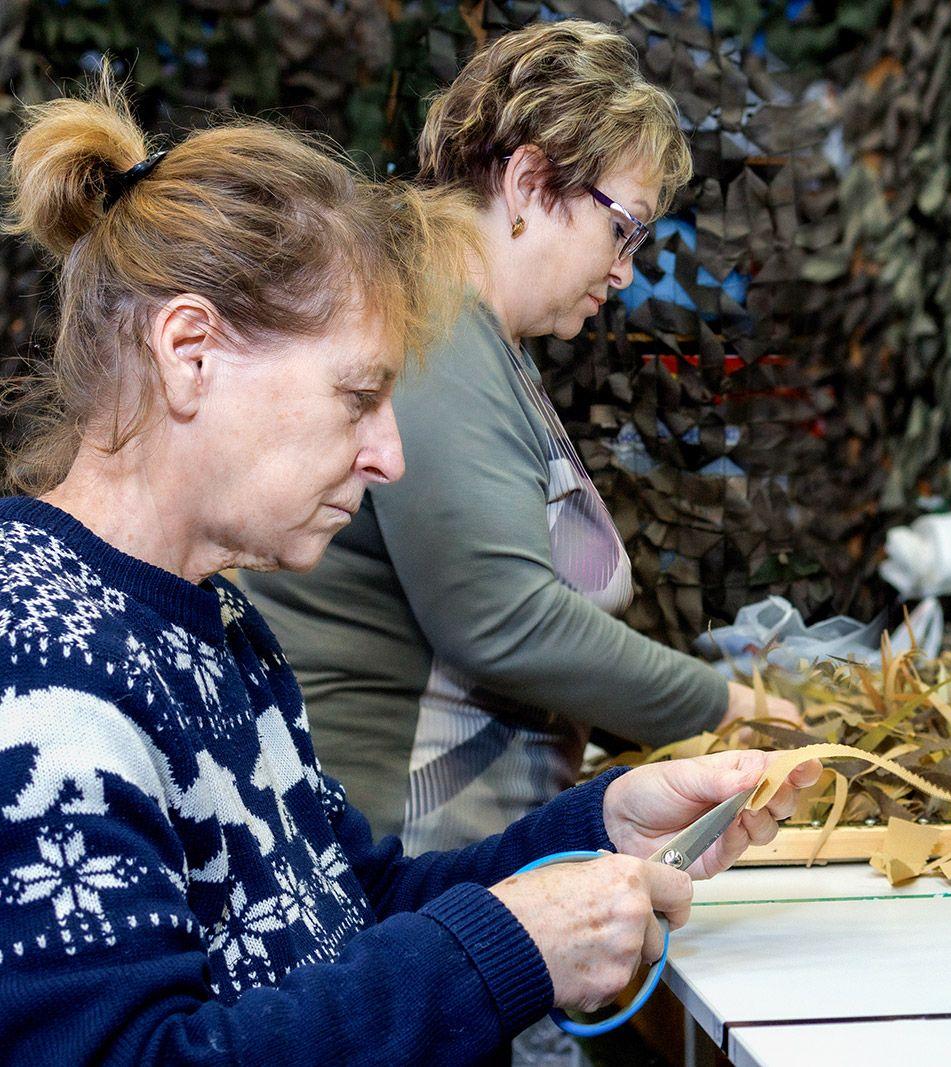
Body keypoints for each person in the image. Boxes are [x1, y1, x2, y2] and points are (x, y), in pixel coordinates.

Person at [0, 79, 817, 1064]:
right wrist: (509, 948)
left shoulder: (217, 625)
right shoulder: (42, 676)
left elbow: (361, 903)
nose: (390, 455)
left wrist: (596, 831)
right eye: (357, 396)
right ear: (189, 352)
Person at [241, 19, 800, 859]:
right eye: (625, 228)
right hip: (396, 846)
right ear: (532, 183)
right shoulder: (431, 329)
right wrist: (721, 705)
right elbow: (501, 617)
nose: (627, 270)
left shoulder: (465, 332)